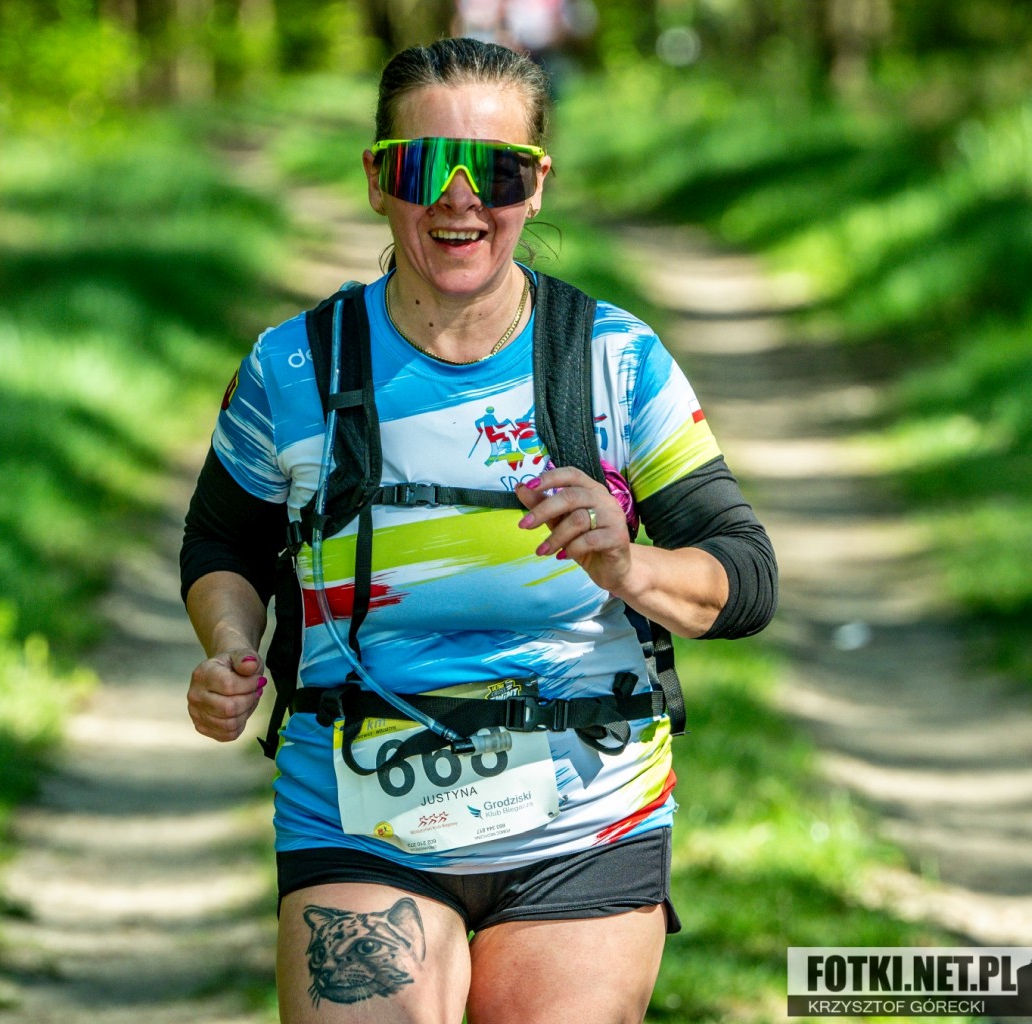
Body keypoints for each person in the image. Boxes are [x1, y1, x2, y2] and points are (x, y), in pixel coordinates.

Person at [181, 37, 776, 1024]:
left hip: (586, 816)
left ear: (535, 186)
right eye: (426, 166)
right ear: (379, 179)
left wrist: (628, 565)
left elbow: (745, 577)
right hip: (358, 812)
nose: (460, 199)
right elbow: (223, 542)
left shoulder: (616, 362)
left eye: (494, 170)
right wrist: (231, 646)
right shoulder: (292, 370)